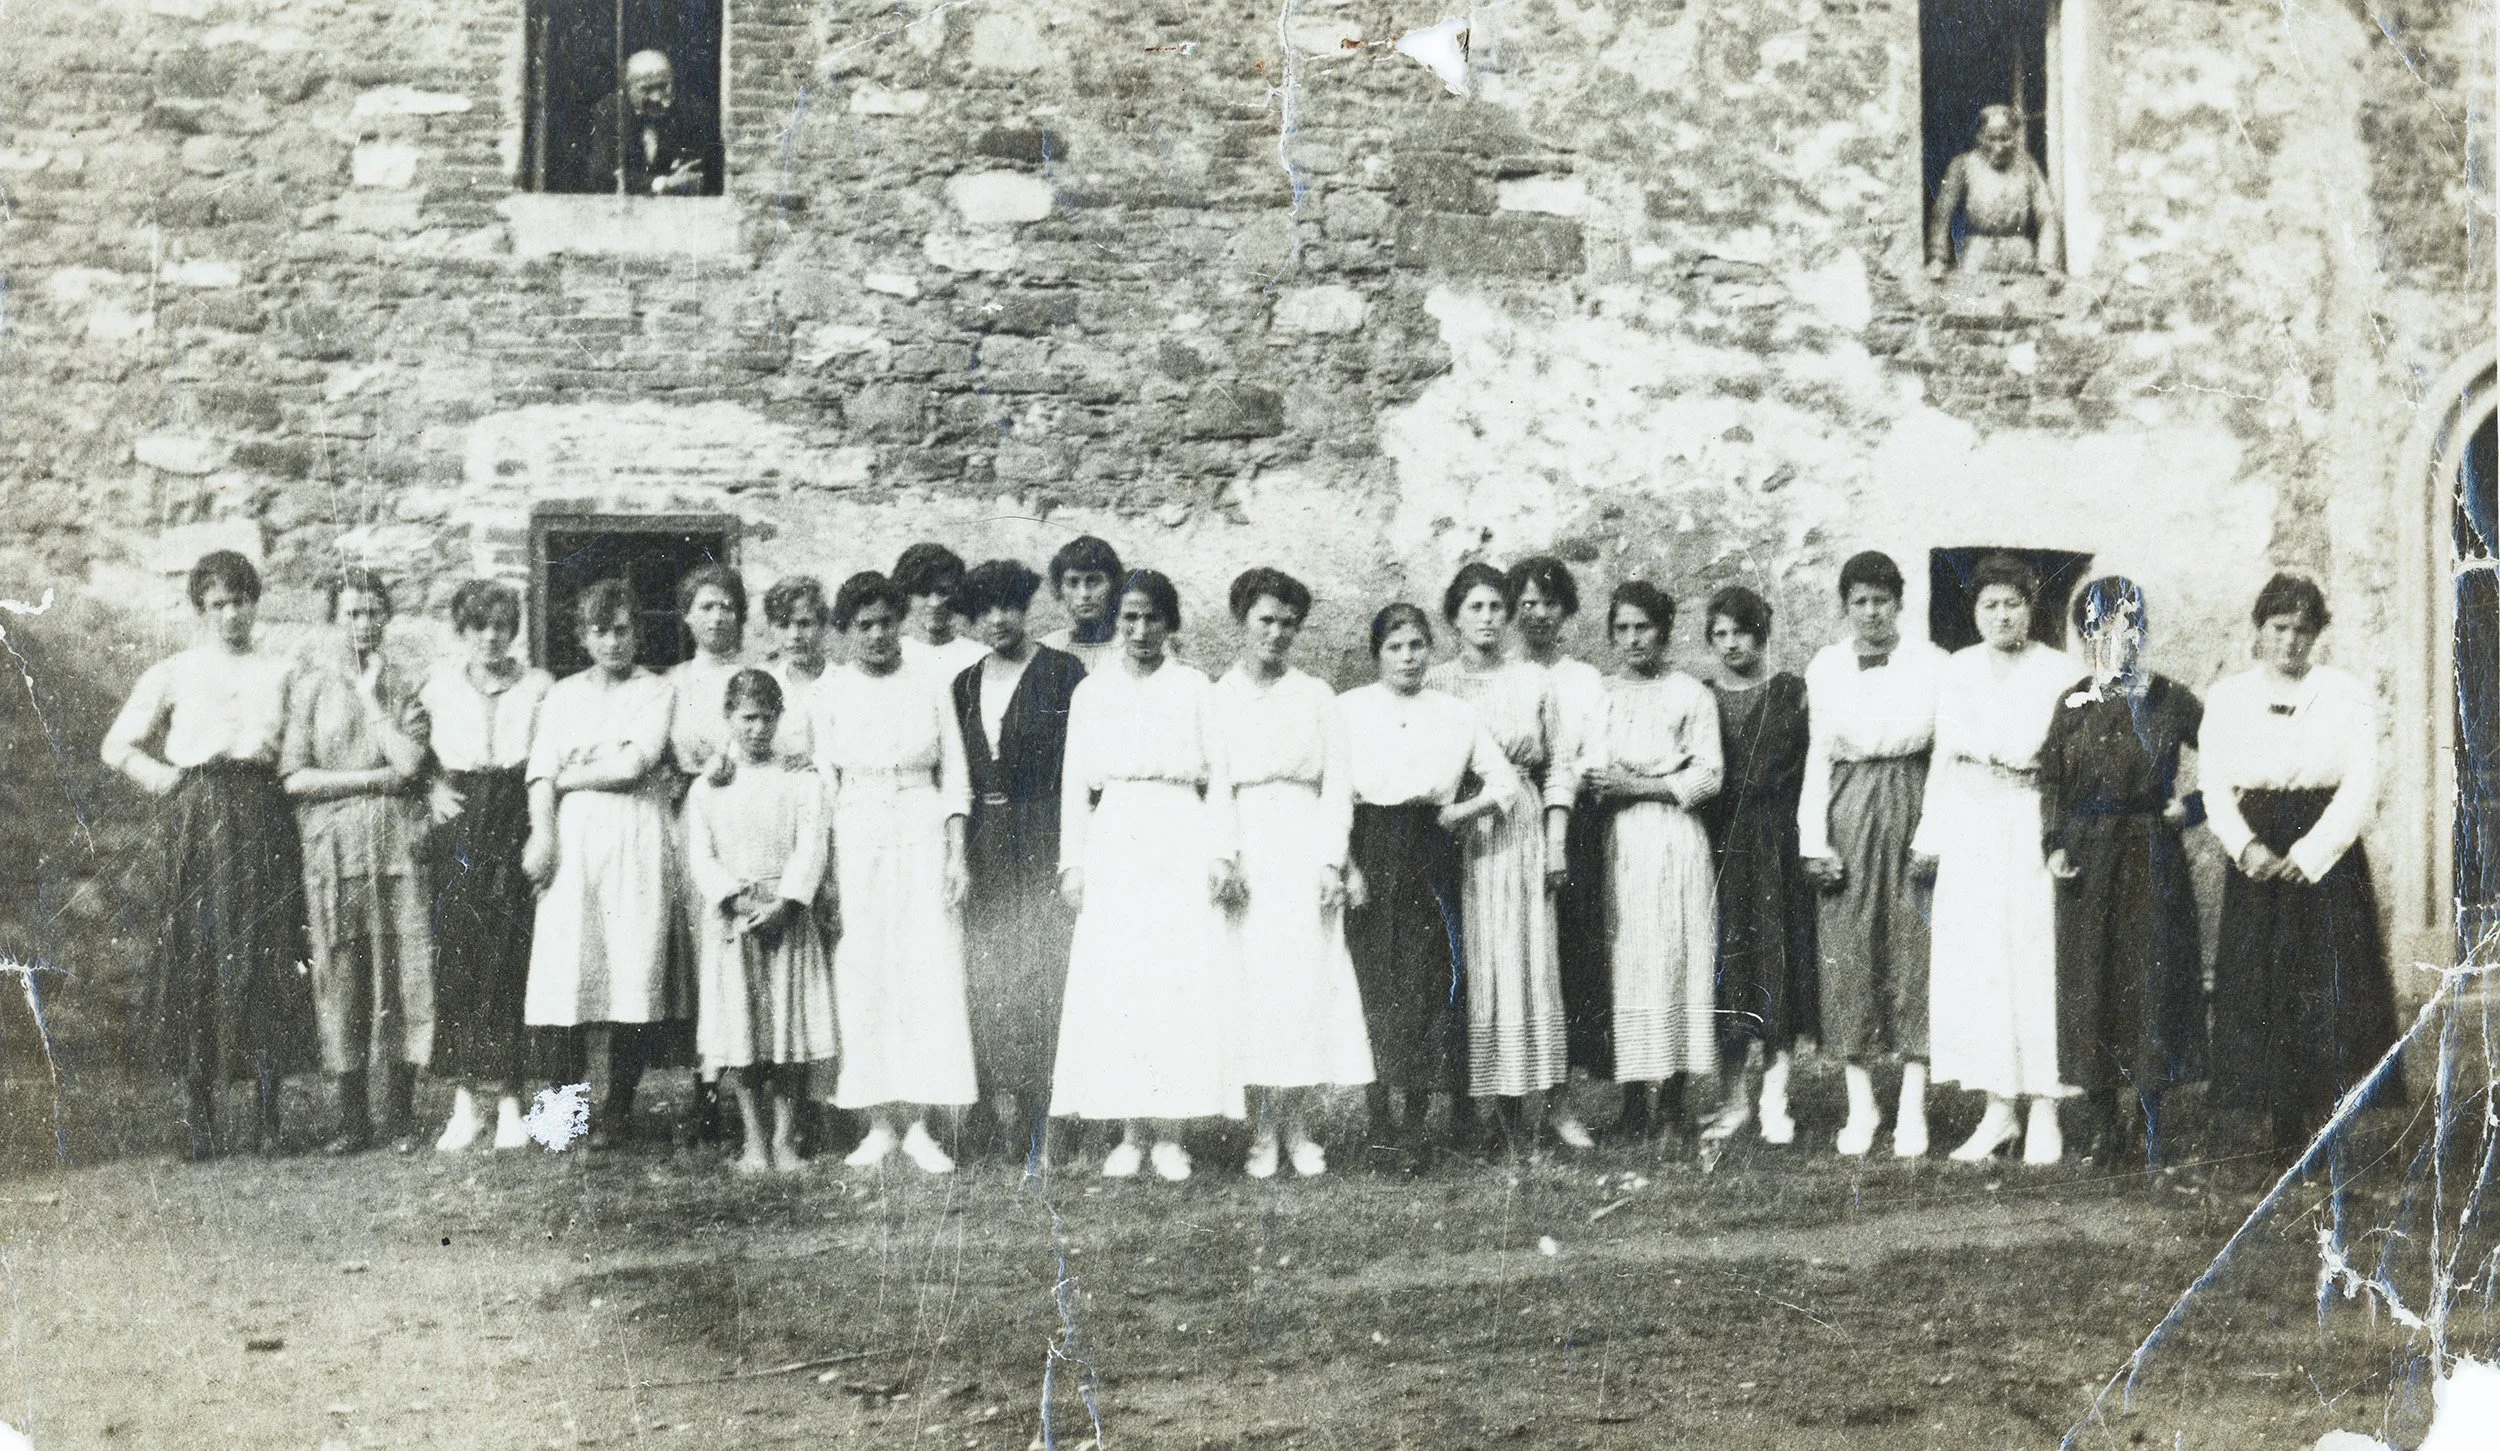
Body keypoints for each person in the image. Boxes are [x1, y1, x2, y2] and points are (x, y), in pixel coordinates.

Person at [103, 550, 316, 1159]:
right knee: (197, 952)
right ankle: (200, 1123)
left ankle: (269, 1119)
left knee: (268, 949)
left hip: (263, 812)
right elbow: (118, 744)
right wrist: (168, 782)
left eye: (240, 602)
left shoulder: (282, 671)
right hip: (199, 816)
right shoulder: (174, 671)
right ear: (201, 609)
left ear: (255, 604)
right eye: (217, 605)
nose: (231, 616)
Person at [1051, 569, 1241, 1180]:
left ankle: (1171, 1133)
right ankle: (1130, 1129)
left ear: (1169, 623)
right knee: (1122, 982)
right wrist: (1074, 863)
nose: (1139, 630)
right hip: (1117, 838)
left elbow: (1220, 779)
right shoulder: (1092, 692)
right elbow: (1074, 785)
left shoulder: (1195, 688)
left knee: (1175, 980)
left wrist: (1221, 853)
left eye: (1151, 618)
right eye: (1128, 618)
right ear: (1115, 624)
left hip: (1179, 833)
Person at [2203, 573, 2397, 1153]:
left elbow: (2362, 781)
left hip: (2325, 848)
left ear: (2317, 636)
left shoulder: (2345, 693)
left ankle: (2325, 1116)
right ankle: (2281, 1118)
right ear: (2260, 631)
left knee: (2328, 981)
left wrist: (2313, 852)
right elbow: (2213, 785)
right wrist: (2247, 847)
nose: (2290, 642)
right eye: (2279, 628)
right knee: (2265, 980)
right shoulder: (2230, 696)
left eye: (2302, 631)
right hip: (2259, 847)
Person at [1339, 604, 1519, 1165]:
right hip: (1369, 842)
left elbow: (1505, 784)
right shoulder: (1348, 710)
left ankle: (1415, 1128)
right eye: (1395, 647)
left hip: (1428, 849)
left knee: (1422, 985)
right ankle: (1379, 1123)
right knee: (1370, 980)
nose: (1408, 657)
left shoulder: (1455, 713)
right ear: (1377, 655)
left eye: (1417, 645)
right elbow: (1334, 794)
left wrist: (1457, 814)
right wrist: (1347, 866)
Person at [2037, 577, 2207, 1167]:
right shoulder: (2071, 704)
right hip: (2089, 858)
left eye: (2128, 627)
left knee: (2152, 981)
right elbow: (2052, 779)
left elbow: (2235, 750)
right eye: (2102, 630)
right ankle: (2102, 1125)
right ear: (2085, 637)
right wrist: (2055, 842)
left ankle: (2151, 1120)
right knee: (2093, 984)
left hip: (2151, 853)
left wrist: (2194, 807)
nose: (2117, 641)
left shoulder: (2170, 699)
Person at [812, 571, 978, 1174]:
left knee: (926, 970)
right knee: (867, 972)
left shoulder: (930, 683)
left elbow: (955, 776)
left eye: (887, 622)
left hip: (920, 826)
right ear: (845, 632)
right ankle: (879, 1121)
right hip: (857, 833)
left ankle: (923, 1126)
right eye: (864, 626)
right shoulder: (829, 693)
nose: (878, 635)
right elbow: (824, 788)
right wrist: (827, 871)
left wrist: (957, 853)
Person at [1211, 569, 1375, 1179]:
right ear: (1242, 621)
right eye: (1265, 620)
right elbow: (1218, 784)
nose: (1276, 633)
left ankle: (1299, 1126)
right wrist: (1226, 855)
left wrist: (1332, 861)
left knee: (1304, 984)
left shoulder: (1317, 695)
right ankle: (1261, 1129)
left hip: (1304, 843)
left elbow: (1337, 787)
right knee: (1255, 986)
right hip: (1251, 846)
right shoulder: (1219, 695)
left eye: (1287, 623)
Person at [1916, 554, 2077, 1165]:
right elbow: (1945, 757)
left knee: (2035, 962)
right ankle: (1997, 1110)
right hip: (1974, 830)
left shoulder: (2061, 671)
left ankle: (2044, 1109)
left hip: (2033, 825)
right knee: (1979, 964)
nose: (2002, 614)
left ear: (2031, 608)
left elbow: (2066, 757)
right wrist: (1929, 838)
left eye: (2013, 603)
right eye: (1990, 605)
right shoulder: (1957, 670)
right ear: (1975, 613)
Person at [522, 581, 691, 1148]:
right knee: (566, 970)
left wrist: (575, 772)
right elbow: (540, 771)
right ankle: (560, 1117)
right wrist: (543, 835)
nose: (613, 641)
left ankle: (617, 1110)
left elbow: (634, 762)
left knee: (631, 968)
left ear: (637, 633)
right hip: (572, 837)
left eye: (622, 630)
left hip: (636, 833)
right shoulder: (563, 695)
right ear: (583, 637)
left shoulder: (656, 690)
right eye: (601, 631)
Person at [282, 567, 435, 1155]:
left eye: (373, 612)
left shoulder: (404, 684)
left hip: (396, 847)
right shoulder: (310, 687)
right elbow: (295, 776)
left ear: (386, 618)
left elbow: (413, 765)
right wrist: (373, 779)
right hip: (334, 850)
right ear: (333, 620)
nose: (363, 625)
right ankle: (350, 1118)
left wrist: (373, 700)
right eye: (351, 613)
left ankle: (397, 1113)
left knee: (402, 969)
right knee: (340, 975)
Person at [1799, 551, 1946, 1158]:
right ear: (1845, 607)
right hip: (1848, 803)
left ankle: (1913, 1108)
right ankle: (1862, 1106)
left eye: (1880, 601)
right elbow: (1817, 754)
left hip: (1913, 795)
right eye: (1858, 602)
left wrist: (1933, 833)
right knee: (1848, 948)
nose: (1870, 613)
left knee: (1916, 948)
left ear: (1899, 603)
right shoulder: (1827, 666)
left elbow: (1943, 752)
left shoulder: (1933, 663)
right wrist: (1813, 839)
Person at [1426, 563, 1573, 1152]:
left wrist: (1557, 840)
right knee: (1465, 963)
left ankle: (1516, 1111)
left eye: (1495, 608)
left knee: (1520, 961)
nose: (1486, 619)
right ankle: (1466, 1109)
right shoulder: (1435, 682)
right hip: (1455, 829)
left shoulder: (1535, 679)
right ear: (1455, 617)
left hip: (1518, 830)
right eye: (1474, 609)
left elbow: (1561, 763)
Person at [951, 558, 1088, 1167]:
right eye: (984, 610)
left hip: (1042, 831)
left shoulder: (1063, 673)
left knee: (1041, 974)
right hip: (985, 838)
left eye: (1008, 606)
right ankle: (989, 1114)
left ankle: (1042, 1120)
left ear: (1026, 609)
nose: (998, 620)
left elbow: (1078, 766)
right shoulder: (963, 683)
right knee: (987, 976)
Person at [1582, 583, 1722, 1146]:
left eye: (1643, 627)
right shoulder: (1601, 692)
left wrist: (1638, 784)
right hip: (1619, 840)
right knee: (1629, 961)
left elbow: (1709, 775)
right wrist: (1605, 783)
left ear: (1663, 630)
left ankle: (1674, 1103)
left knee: (1676, 954)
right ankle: (1634, 1101)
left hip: (1673, 837)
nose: (1633, 639)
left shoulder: (1690, 694)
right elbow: (1589, 765)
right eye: (1622, 629)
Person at [419, 581, 554, 1153]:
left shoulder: (541, 686)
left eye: (503, 625)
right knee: (461, 956)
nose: (493, 637)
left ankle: (511, 1103)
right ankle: (466, 1102)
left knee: (513, 959)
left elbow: (549, 755)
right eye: (480, 627)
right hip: (462, 821)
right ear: (463, 632)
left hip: (517, 813)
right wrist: (429, 787)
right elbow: (410, 751)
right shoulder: (439, 687)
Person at [686, 670, 837, 1174]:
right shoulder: (709, 787)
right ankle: (754, 1141)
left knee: (787, 1036)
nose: (756, 729)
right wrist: (735, 899)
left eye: (766, 717)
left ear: (779, 718)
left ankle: (786, 1140)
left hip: (786, 917)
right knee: (743, 1035)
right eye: (746, 718)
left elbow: (812, 843)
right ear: (728, 719)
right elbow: (701, 854)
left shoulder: (801, 777)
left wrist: (789, 901)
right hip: (736, 920)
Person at [1699, 586, 1816, 1146]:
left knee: (1775, 964)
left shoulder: (1792, 693)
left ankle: (1775, 1097)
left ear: (1761, 632)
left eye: (1739, 632)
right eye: (1718, 635)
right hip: (1717, 844)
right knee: (1727, 965)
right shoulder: (1702, 697)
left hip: (1774, 845)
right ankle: (1731, 1098)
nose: (1730, 645)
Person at [1508, 554, 1605, 1151]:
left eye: (1547, 603)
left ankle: (1562, 1100)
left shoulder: (1583, 678)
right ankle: (1511, 1104)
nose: (1536, 614)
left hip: (1577, 825)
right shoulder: (1505, 673)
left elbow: (1589, 752)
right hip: (1514, 822)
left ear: (1565, 610)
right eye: (1526, 605)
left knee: (1569, 967)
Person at [1925, 103, 2060, 279]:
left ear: (2016, 137)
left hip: (2020, 255)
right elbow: (1942, 212)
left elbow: (2047, 215)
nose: (1999, 146)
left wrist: (2047, 262)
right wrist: (1937, 257)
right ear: (1980, 137)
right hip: (1977, 254)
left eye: (2005, 138)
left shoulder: (2027, 166)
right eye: (1992, 138)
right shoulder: (1964, 165)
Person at [588, 50, 714, 197]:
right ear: (627, 88)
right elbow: (602, 175)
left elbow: (695, 175)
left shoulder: (693, 112)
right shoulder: (609, 112)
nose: (656, 97)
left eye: (663, 87)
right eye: (646, 89)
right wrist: (662, 183)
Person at [666, 564, 749, 787]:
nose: (717, 617)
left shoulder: (754, 676)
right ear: (688, 615)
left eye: (726, 607)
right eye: (706, 607)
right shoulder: (671, 681)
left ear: (739, 616)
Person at [894, 542, 991, 684]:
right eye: (923, 592)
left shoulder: (979, 657)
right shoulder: (894, 655)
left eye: (943, 592)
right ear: (907, 596)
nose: (935, 603)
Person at [759, 574, 831, 764]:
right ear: (771, 629)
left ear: (823, 625)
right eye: (783, 625)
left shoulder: (843, 682)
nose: (794, 635)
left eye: (804, 623)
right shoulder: (765, 686)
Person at [1039, 535, 1124, 674]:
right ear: (1060, 589)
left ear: (1113, 585)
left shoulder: (1131, 647)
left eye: (1093, 581)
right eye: (1073, 583)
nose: (1084, 594)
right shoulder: (1047, 649)